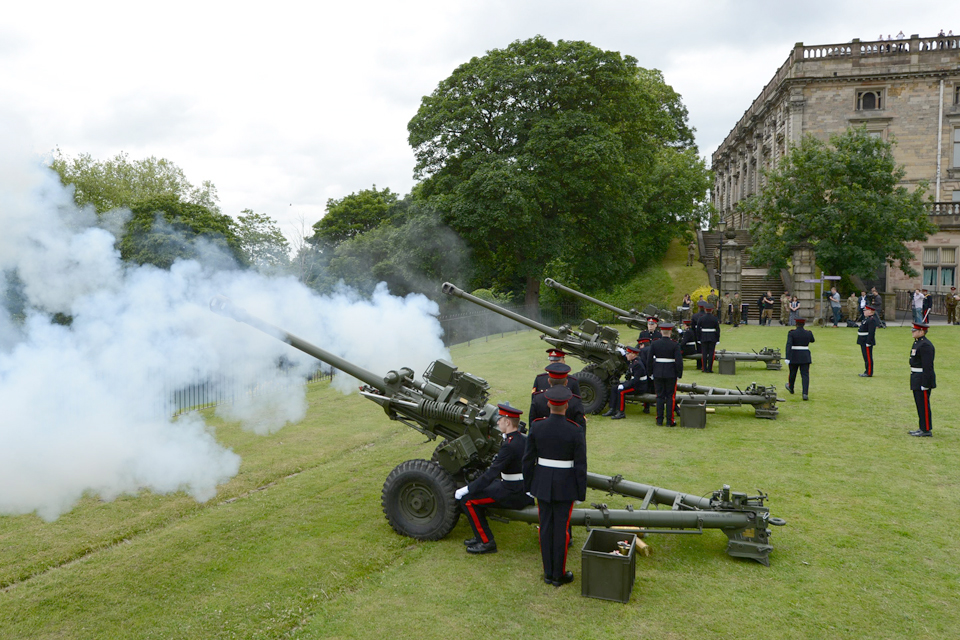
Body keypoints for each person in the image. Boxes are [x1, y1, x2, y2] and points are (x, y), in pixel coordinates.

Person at [522, 385, 587, 587]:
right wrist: (580, 492)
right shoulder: (575, 430)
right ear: (566, 405)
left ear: (549, 404)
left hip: (542, 483)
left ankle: (548, 572)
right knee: (561, 531)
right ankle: (558, 574)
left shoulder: (537, 426)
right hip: (565, 485)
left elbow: (527, 460)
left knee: (545, 527)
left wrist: (529, 484)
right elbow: (580, 465)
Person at [455, 403, 535, 554]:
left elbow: (491, 475)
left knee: (468, 500)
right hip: (520, 488)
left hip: (513, 492)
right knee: (482, 492)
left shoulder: (509, 446)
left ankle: (486, 541)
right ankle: (480, 536)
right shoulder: (522, 439)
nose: (498, 422)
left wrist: (466, 489)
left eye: (500, 419)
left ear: (507, 422)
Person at [530, 363, 587, 430]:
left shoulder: (537, 399)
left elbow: (532, 426)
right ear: (566, 382)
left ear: (549, 381)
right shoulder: (575, 401)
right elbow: (581, 429)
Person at [646, 322, 683, 426]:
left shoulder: (655, 343)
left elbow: (649, 360)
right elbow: (679, 361)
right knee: (670, 397)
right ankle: (670, 420)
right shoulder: (675, 344)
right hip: (671, 373)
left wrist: (650, 373)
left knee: (660, 397)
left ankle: (659, 420)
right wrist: (679, 374)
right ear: (670, 332)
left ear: (661, 331)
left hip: (657, 372)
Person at [908, 322, 936, 437]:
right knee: (919, 404)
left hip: (922, 379)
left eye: (915, 330)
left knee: (923, 404)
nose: (912, 332)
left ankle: (926, 429)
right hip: (916, 377)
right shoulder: (918, 343)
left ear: (922, 332)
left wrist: (925, 383)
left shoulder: (925, 345)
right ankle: (922, 427)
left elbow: (927, 366)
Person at [605, 344, 647, 419]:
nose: (627, 355)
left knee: (621, 391)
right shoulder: (633, 361)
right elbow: (628, 363)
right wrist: (623, 354)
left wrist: (625, 385)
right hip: (635, 384)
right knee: (614, 388)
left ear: (633, 354)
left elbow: (635, 380)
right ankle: (612, 409)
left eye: (628, 354)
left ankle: (621, 412)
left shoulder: (638, 364)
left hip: (639, 386)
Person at [784, 318, 814, 400]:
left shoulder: (792, 333)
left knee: (792, 373)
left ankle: (791, 387)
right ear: (804, 324)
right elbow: (812, 340)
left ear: (796, 324)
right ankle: (805, 393)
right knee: (805, 375)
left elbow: (788, 344)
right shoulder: (808, 333)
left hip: (794, 355)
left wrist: (787, 357)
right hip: (805, 356)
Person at [857, 304, 879, 377]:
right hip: (863, 340)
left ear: (870, 312)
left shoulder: (871, 320)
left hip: (866, 341)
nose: (864, 312)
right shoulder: (866, 319)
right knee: (865, 357)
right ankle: (866, 370)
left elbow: (871, 332)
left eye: (866, 310)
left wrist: (868, 342)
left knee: (868, 357)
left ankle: (869, 372)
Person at [698, 305, 721, 372]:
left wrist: (699, 338)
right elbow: (718, 330)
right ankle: (710, 369)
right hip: (712, 337)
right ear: (712, 310)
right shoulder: (715, 318)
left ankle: (704, 368)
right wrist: (717, 339)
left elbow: (698, 329)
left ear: (705, 310)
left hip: (703, 337)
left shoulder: (701, 318)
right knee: (711, 354)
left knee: (704, 353)